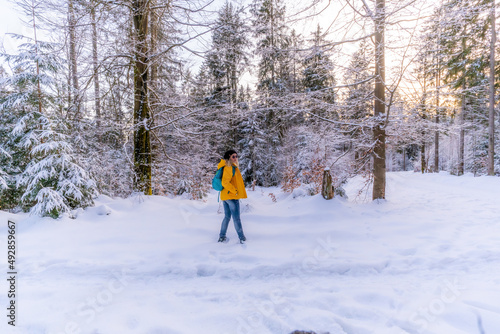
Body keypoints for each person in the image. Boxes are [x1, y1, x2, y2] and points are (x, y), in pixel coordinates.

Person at [217, 149, 248, 244]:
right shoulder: (229, 167)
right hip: (231, 196)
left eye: (236, 156)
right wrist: (234, 191)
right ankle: (242, 238)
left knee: (227, 217)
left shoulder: (228, 167)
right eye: (233, 156)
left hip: (226, 196)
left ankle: (222, 237)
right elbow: (225, 182)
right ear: (229, 157)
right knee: (236, 218)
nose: (235, 158)